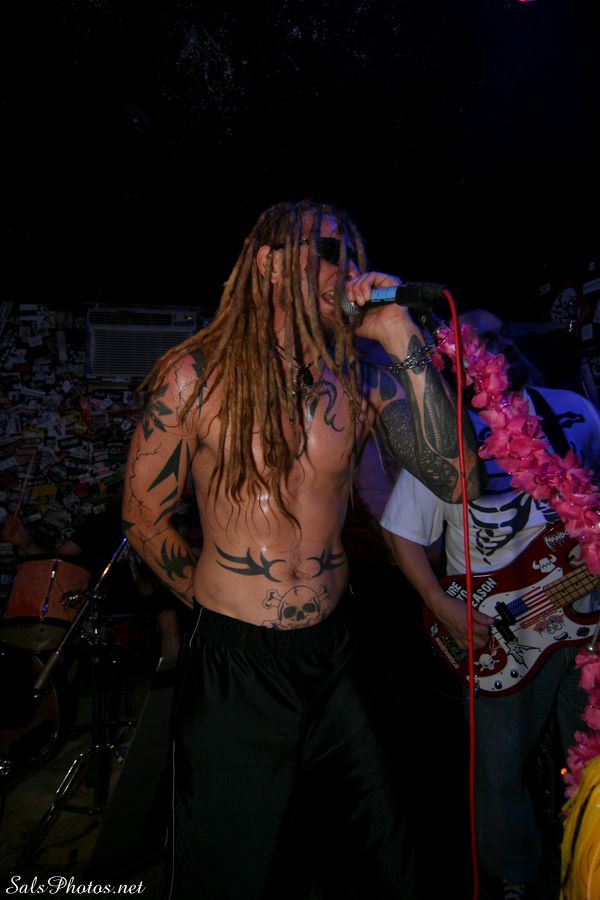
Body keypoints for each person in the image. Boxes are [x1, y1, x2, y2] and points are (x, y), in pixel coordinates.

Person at [122, 198, 480, 900]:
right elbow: (142, 514)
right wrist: (208, 600)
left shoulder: (361, 380)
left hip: (335, 655)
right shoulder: (195, 376)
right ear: (269, 262)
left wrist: (400, 335)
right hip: (235, 665)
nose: (346, 269)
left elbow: (459, 479)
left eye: (353, 254)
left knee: (388, 858)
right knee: (232, 873)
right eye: (328, 250)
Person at [380, 312, 600, 900]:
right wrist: (438, 602)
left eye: (498, 333)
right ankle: (516, 878)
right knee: (499, 774)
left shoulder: (574, 411)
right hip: (500, 632)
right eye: (474, 339)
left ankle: (585, 862)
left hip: (586, 626)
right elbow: (401, 532)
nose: (492, 343)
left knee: (593, 760)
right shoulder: (448, 437)